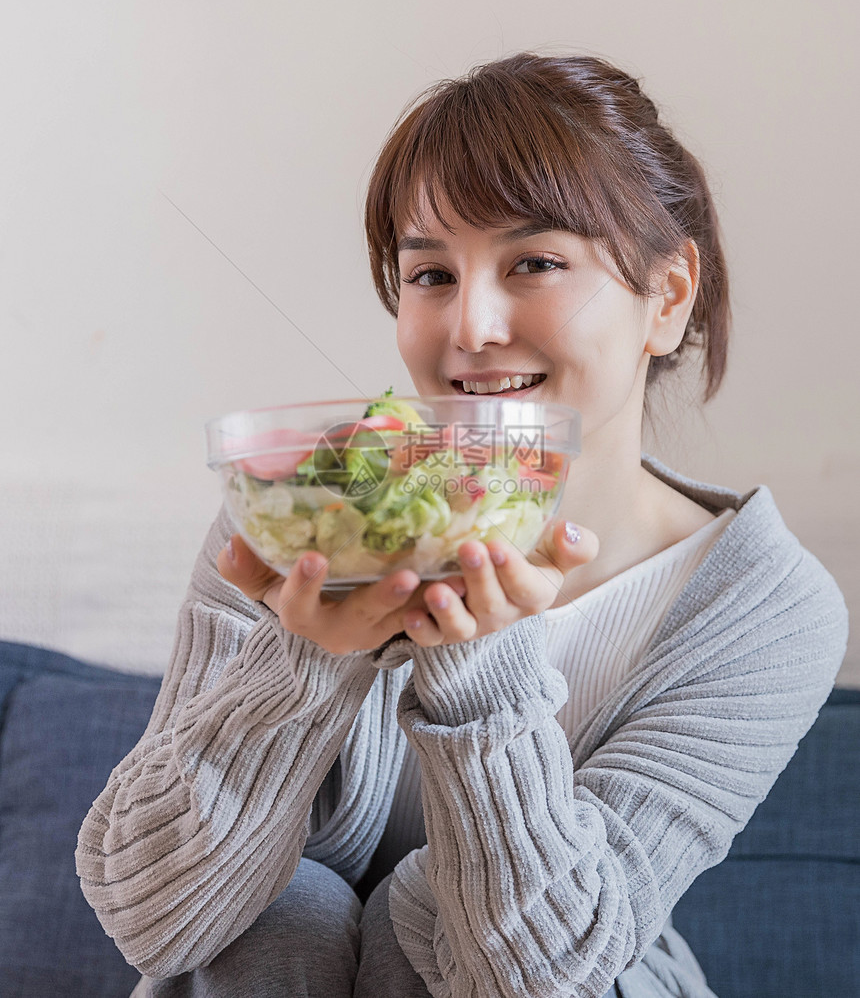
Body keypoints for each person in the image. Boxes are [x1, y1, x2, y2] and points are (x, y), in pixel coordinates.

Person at [76, 52, 848, 998]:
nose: (471, 325)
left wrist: (483, 668)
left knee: (430, 922)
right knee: (276, 924)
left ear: (668, 295)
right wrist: (302, 660)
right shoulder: (305, 514)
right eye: (431, 273)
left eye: (535, 262)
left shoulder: (765, 605)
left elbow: (542, 971)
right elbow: (152, 921)